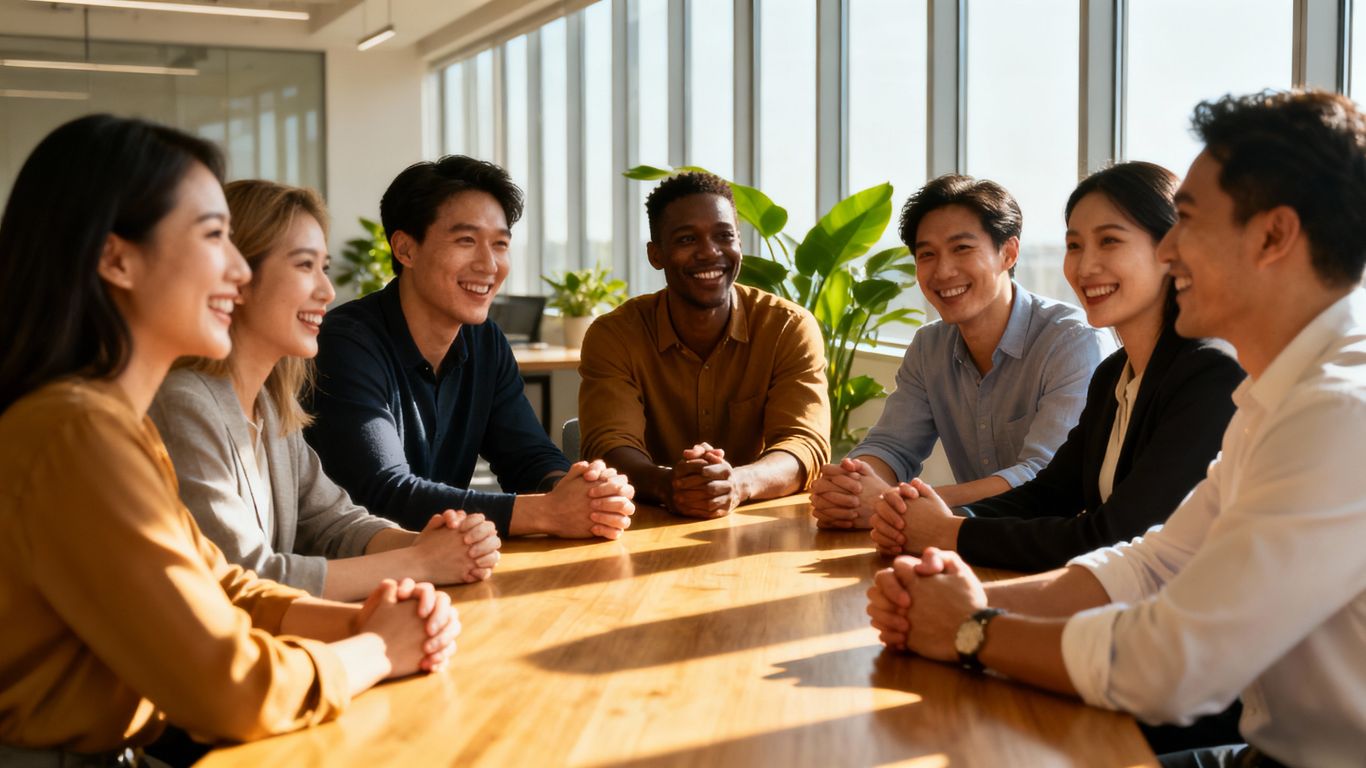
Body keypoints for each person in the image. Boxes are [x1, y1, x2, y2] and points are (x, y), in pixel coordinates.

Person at [866, 89, 1366, 768]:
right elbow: (1153, 560)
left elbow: (1175, 665)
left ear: (1273, 235)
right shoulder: (1272, 396)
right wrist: (948, 599)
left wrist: (971, 628)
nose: (1171, 250)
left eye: (1186, 222)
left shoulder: (1338, 412)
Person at [0, 115, 457, 762]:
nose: (241, 272)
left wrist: (365, 622)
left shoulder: (110, 425)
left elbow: (225, 588)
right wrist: (378, 649)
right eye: (215, 236)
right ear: (115, 258)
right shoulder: (76, 431)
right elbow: (232, 690)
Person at [870, 162, 1245, 572]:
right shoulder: (1115, 374)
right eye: (1074, 245)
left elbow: (1114, 538)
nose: (1085, 267)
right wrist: (931, 517)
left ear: (1169, 251)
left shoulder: (1209, 373)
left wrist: (948, 532)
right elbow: (1049, 493)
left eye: (1110, 242)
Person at [150, 180, 501, 602]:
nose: (327, 291)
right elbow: (246, 578)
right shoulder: (184, 402)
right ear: (235, 277)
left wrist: (424, 543)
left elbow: (334, 521)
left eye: (325, 268)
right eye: (304, 266)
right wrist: (420, 563)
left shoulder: (270, 405)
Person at [304, 155, 635, 540]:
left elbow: (527, 456)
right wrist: (546, 512)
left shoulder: (485, 341)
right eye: (466, 240)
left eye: (500, 244)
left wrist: (577, 490)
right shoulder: (345, 343)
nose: (489, 264)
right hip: (356, 575)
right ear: (405, 249)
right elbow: (382, 494)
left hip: (448, 563)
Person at [811, 175, 1111, 528]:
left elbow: (1040, 476)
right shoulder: (929, 348)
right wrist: (853, 484)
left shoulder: (1073, 341)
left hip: (1057, 546)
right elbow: (891, 447)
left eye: (962, 249)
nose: (943, 271)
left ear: (1009, 253)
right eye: (927, 254)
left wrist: (895, 501)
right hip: (966, 542)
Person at [578, 172, 830, 517]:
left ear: (739, 243)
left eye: (724, 236)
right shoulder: (615, 335)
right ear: (656, 255)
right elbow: (609, 446)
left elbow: (804, 445)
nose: (710, 252)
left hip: (759, 527)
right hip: (644, 526)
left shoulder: (787, 328)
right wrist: (668, 485)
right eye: (686, 240)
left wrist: (737, 484)